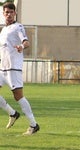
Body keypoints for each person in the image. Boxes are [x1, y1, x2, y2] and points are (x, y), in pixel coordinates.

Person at [0, 2, 40, 135]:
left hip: (13, 68)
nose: (9, 15)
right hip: (2, 68)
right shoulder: (4, 29)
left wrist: (21, 47)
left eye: (11, 12)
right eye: (6, 12)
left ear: (15, 13)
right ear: (3, 14)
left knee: (18, 97)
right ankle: (12, 113)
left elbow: (26, 42)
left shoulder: (18, 27)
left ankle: (33, 125)